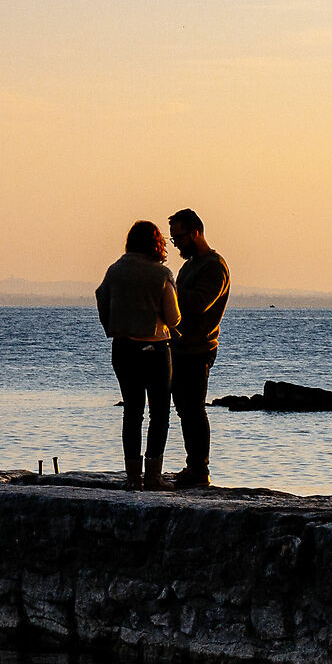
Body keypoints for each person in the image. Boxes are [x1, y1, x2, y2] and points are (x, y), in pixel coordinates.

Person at [96, 220, 180, 489]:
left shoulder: (114, 272)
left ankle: (132, 477)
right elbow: (173, 317)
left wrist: (114, 326)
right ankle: (154, 476)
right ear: (156, 243)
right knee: (159, 413)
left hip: (122, 348)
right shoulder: (161, 274)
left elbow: (102, 299)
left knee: (132, 413)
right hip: (155, 348)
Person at [166, 208, 230, 488]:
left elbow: (198, 303)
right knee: (184, 409)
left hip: (199, 349)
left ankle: (199, 469)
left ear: (195, 233)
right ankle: (193, 465)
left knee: (194, 410)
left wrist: (166, 289)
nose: (176, 243)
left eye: (178, 237)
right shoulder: (190, 265)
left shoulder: (214, 266)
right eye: (172, 239)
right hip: (180, 348)